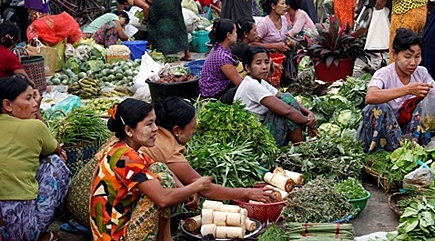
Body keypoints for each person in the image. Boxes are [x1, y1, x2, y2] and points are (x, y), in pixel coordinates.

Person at [89, 98, 212, 240]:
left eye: (155, 122)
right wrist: (196, 186)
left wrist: (184, 188)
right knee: (163, 185)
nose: (155, 129)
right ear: (128, 130)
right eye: (149, 124)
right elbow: (163, 199)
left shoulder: (118, 147)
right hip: (115, 237)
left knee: (160, 170)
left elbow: (160, 168)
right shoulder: (127, 158)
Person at [141, 97, 273, 204]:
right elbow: (206, 190)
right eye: (192, 128)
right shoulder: (169, 151)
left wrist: (183, 188)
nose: (195, 131)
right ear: (177, 130)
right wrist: (246, 192)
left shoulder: (158, 136)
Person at [356, 28, 435, 152]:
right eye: (407, 57)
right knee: (378, 108)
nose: (413, 62)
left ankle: (410, 150)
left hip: (408, 133)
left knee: (425, 106)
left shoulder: (422, 73)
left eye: (417, 57)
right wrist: (407, 90)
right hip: (382, 134)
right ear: (394, 55)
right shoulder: (384, 74)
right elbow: (370, 97)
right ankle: (384, 150)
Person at [0, 76, 70, 241]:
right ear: (7, 105)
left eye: (35, 97)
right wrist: (38, 116)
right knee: (55, 162)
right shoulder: (35, 126)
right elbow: (57, 150)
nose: (35, 103)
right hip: (16, 230)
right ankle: (35, 233)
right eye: (29, 98)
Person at [233, 46, 317, 146]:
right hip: (254, 138)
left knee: (287, 98)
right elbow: (287, 111)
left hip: (263, 127)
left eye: (267, 62)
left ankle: (299, 144)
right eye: (258, 63)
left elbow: (286, 97)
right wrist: (308, 122)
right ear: (247, 68)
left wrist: (308, 112)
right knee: (287, 113)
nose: (264, 67)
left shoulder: (260, 82)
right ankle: (300, 146)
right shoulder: (251, 85)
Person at [116, 0, 192, 60]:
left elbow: (146, 8)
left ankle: (161, 55)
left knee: (155, 23)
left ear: (124, 2)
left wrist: (145, 20)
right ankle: (187, 54)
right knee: (178, 21)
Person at [199, 18, 243, 99]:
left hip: (211, 90)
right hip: (214, 95)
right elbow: (239, 83)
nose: (236, 35)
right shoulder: (222, 57)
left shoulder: (218, 47)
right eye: (235, 32)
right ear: (229, 35)